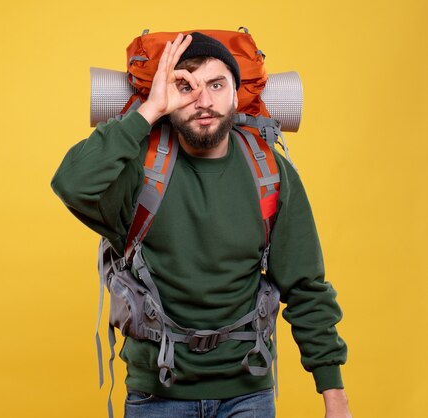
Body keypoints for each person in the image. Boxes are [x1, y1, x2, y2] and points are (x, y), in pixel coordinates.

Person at [51, 32, 350, 418]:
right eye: (184, 86)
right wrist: (148, 111)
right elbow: (72, 183)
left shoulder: (270, 172)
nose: (203, 100)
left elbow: (307, 287)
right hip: (155, 393)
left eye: (216, 84)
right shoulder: (139, 169)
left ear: (235, 94)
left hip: (248, 392)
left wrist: (335, 398)